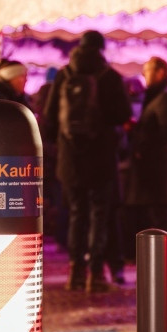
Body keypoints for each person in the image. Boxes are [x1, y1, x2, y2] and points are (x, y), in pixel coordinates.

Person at [43, 30, 132, 292]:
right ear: (101, 49)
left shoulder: (63, 75)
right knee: (99, 215)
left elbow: (49, 115)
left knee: (76, 215)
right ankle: (96, 274)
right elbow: (123, 114)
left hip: (70, 159)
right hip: (101, 157)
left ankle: (75, 273)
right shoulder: (109, 77)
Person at [124, 57, 167, 285]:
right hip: (152, 169)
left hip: (159, 169)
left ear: (160, 72)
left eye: (147, 70)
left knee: (164, 220)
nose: (144, 75)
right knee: (157, 219)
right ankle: (163, 269)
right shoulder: (159, 95)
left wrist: (140, 135)